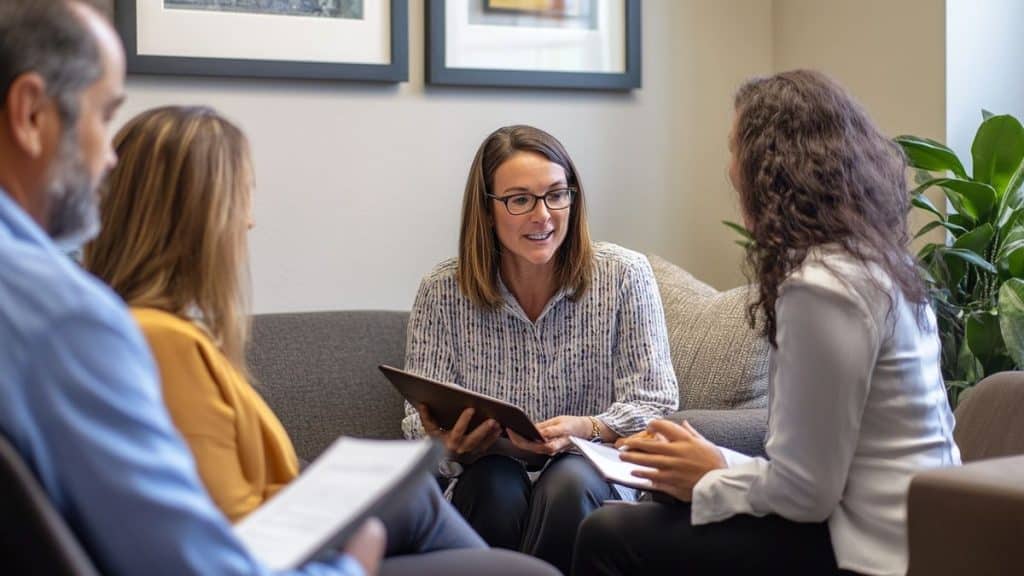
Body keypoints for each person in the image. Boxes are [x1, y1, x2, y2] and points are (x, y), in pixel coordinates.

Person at [83, 105, 559, 576]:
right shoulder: (163, 343)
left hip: (289, 531)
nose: (249, 222)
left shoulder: (146, 330)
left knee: (416, 500)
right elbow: (232, 531)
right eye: (244, 196)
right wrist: (357, 545)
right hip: (280, 554)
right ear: (200, 216)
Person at [0, 1, 378, 574]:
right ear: (30, 114)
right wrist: (353, 565)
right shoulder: (64, 317)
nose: (110, 161)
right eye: (105, 117)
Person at [572, 70, 962, 576]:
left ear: (771, 167)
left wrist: (712, 471)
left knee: (608, 535)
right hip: (915, 525)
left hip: (873, 548)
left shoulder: (823, 288)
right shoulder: (877, 261)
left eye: (736, 149)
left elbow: (808, 495)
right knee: (667, 501)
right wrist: (710, 466)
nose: (730, 170)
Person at [401, 124, 679, 573]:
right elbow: (416, 421)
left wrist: (589, 427)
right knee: (495, 484)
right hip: (485, 474)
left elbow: (657, 401)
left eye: (556, 194)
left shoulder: (625, 276)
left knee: (568, 481)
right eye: (519, 199)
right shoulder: (442, 290)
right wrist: (446, 443)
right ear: (488, 210)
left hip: (590, 472)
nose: (543, 215)